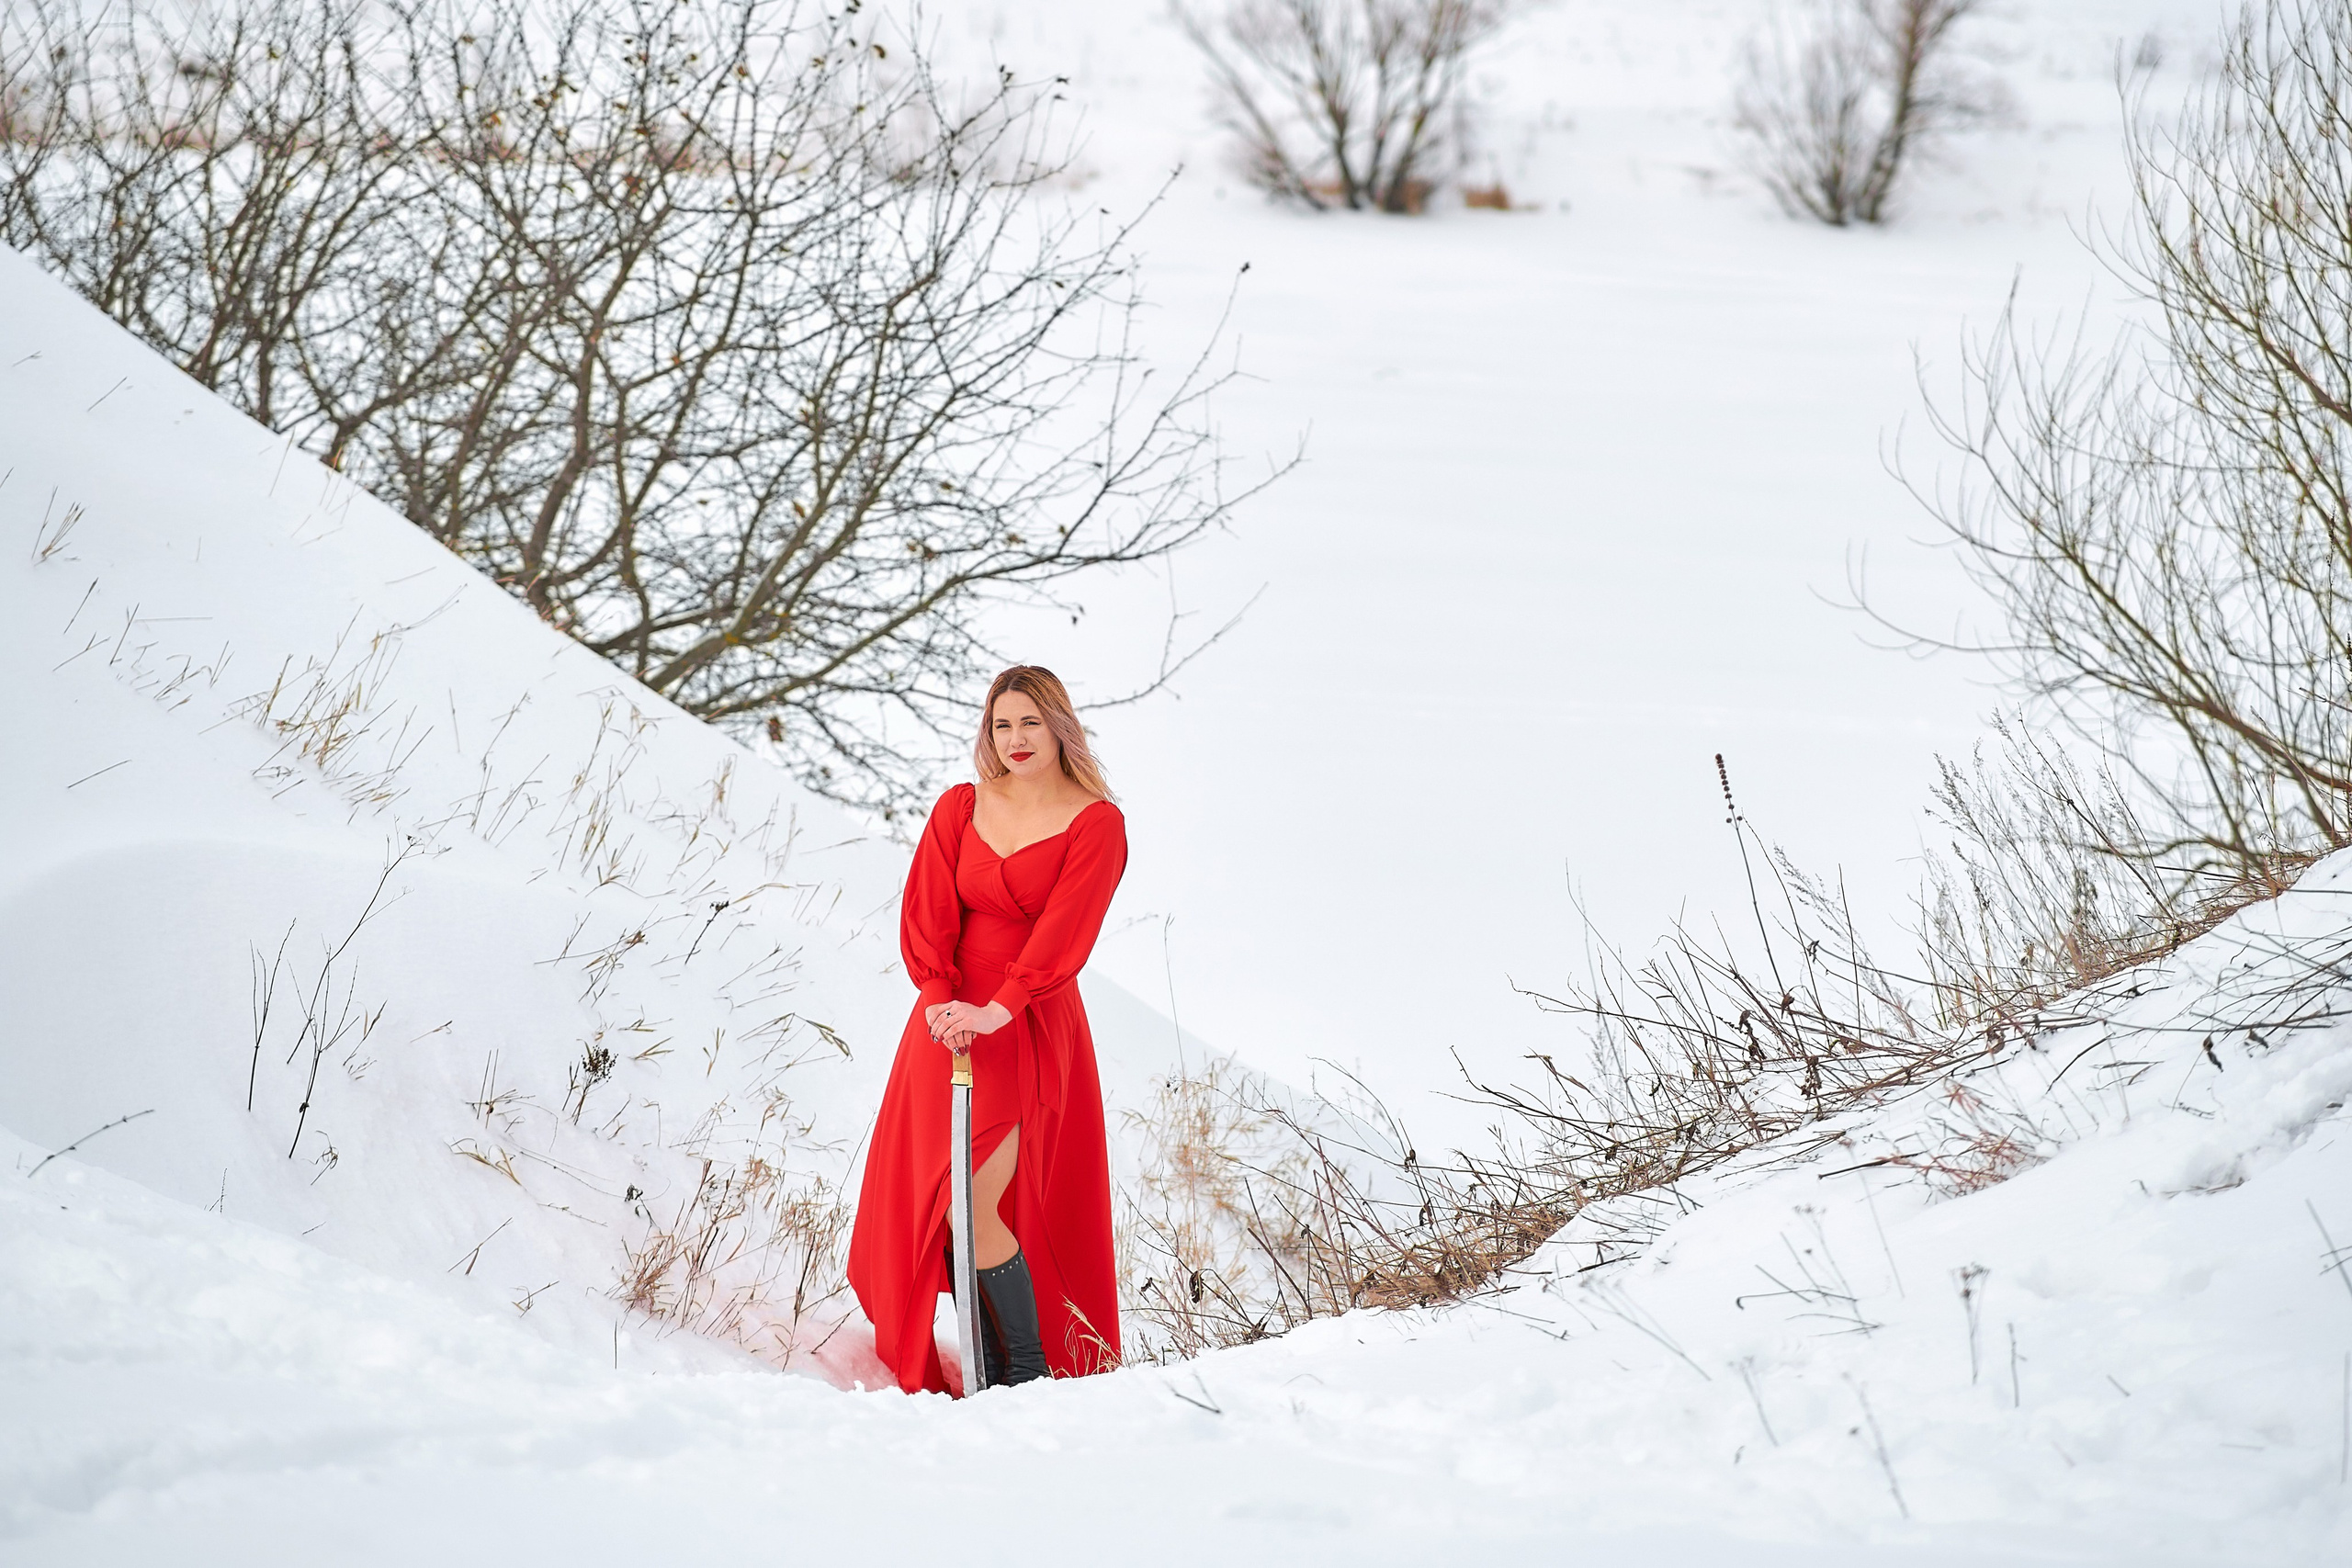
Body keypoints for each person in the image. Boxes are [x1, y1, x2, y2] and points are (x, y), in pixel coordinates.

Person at [846, 665, 1127, 1393]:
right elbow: (928, 908)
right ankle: (992, 1367)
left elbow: (1066, 931)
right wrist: (942, 998)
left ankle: (1028, 1373)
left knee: (976, 1197)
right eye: (1002, 724)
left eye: (1030, 722)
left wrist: (997, 1009)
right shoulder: (960, 805)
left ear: (1060, 725)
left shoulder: (1097, 822)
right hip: (942, 1025)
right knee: (939, 1204)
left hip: (1026, 1022)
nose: (1016, 739)